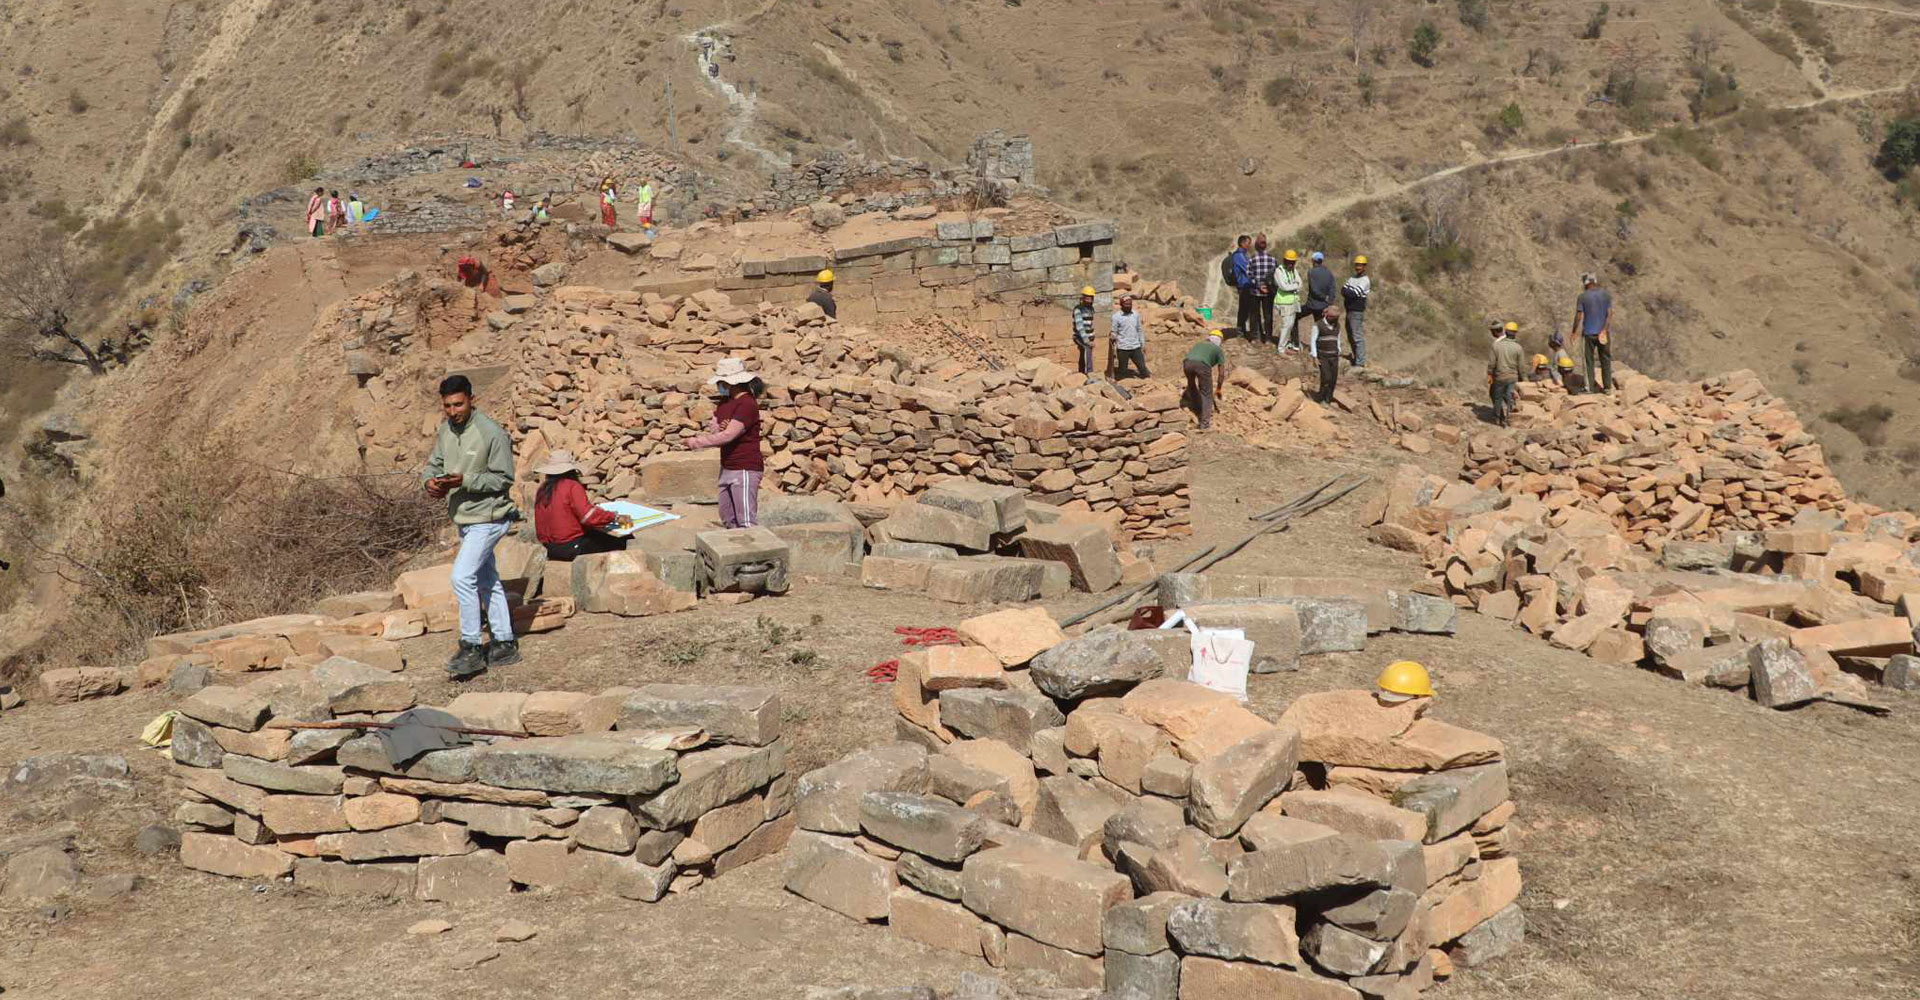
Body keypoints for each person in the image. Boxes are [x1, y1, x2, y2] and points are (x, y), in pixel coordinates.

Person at [422, 374, 519, 679]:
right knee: (487, 579)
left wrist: (466, 481)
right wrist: (430, 482)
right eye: (448, 406)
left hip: (489, 517)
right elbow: (435, 464)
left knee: (462, 577)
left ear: (471, 400)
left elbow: (503, 478)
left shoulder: (492, 433)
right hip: (465, 517)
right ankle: (504, 642)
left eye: (458, 404)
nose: (453, 412)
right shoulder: (446, 430)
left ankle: (471, 646)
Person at [683, 358, 766, 529]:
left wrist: (696, 443)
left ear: (731, 382)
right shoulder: (725, 402)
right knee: (728, 517)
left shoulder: (747, 404)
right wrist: (719, 428)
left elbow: (728, 436)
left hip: (744, 467)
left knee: (746, 521)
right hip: (727, 466)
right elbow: (717, 428)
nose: (719, 385)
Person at [533, 450, 630, 561]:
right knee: (621, 541)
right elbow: (588, 516)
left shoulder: (542, 489)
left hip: (550, 548)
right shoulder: (571, 486)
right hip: (570, 546)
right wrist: (614, 517)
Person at [1571, 272, 1614, 394]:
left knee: (1588, 361)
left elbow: (1579, 316)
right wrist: (1604, 329)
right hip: (1603, 333)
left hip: (1589, 333)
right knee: (1605, 359)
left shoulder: (1583, 297)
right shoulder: (1606, 295)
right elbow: (1610, 314)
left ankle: (1589, 387)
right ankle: (1607, 387)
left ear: (1586, 283)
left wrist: (1574, 331)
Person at [1182, 331, 1229, 430]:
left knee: (1192, 386)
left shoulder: (1199, 344)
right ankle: (1205, 424)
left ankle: (1197, 408)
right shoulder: (1218, 349)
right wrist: (1219, 388)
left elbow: (1191, 356)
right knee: (1207, 394)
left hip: (1187, 364)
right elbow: (1221, 373)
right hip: (1202, 366)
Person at [1487, 321, 1523, 426]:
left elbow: (1492, 363)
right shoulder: (1518, 347)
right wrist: (1523, 379)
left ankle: (1498, 418)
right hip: (1513, 377)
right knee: (1510, 397)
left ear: (1505, 331)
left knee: (1497, 397)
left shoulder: (1496, 345)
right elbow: (1521, 366)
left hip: (1500, 377)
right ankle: (1510, 419)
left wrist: (1490, 374)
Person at [1341, 254, 1371, 368]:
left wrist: (1348, 292)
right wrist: (1348, 292)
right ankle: (1356, 357)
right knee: (1350, 335)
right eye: (1357, 265)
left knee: (1357, 336)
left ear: (1364, 267)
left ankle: (1360, 361)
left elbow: (1354, 293)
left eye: (1360, 265)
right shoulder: (1352, 278)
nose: (1358, 267)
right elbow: (1343, 289)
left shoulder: (1365, 280)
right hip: (1349, 310)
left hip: (1356, 311)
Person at [1246, 236, 1277, 344]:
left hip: (1255, 291)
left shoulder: (1252, 259)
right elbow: (1276, 276)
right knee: (1268, 315)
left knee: (1254, 315)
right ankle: (1268, 338)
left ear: (1256, 246)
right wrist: (1269, 287)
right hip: (1269, 293)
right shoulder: (1273, 260)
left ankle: (1256, 337)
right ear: (1265, 245)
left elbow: (1249, 275)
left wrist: (1258, 285)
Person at [1111, 294, 1149, 379]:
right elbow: (1114, 332)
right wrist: (1113, 347)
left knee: (1143, 369)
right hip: (1123, 348)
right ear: (1121, 304)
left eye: (1130, 304)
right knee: (1122, 371)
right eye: (1126, 304)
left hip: (1135, 346)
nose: (1128, 306)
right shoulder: (1116, 317)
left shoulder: (1136, 314)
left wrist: (1143, 344)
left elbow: (1139, 330)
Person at [1274, 248, 1304, 353]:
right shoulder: (1279, 271)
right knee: (1286, 325)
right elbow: (1283, 287)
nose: (1291, 264)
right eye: (1289, 262)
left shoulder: (1294, 271)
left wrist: (1293, 286)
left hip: (1294, 302)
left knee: (1290, 325)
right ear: (1284, 261)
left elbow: (1300, 284)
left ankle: (1285, 345)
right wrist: (1295, 286)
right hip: (1284, 302)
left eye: (1293, 262)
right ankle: (1281, 349)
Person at [1312, 306, 1343, 403]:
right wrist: (1314, 356)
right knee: (1326, 377)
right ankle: (1321, 397)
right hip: (1323, 356)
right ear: (1327, 316)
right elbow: (1313, 341)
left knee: (1333, 378)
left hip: (1334, 356)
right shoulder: (1318, 325)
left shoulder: (1337, 326)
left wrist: (1339, 350)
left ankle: (1328, 398)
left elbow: (1338, 339)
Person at [1304, 251, 1337, 341]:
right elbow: (1333, 289)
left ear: (1313, 261)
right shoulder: (1329, 273)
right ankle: (1321, 345)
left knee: (1295, 316)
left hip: (1312, 305)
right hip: (1324, 306)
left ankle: (1295, 342)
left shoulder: (1311, 272)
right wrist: (1330, 302)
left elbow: (1313, 290)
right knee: (1321, 327)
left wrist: (1323, 297)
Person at [1225, 235, 1252, 338]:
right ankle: (1241, 331)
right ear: (1243, 243)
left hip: (1245, 285)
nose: (1250, 245)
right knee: (1244, 308)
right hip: (1244, 286)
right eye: (1248, 243)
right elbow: (1248, 269)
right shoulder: (1239, 256)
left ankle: (1242, 330)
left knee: (1245, 307)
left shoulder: (1241, 255)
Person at [1071, 286, 1097, 376]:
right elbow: (1080, 327)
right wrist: (1087, 341)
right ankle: (1089, 373)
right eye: (1087, 297)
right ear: (1083, 297)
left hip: (1088, 337)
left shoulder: (1090, 308)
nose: (1089, 299)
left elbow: (1090, 324)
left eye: (1091, 297)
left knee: (1084, 354)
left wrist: (1092, 337)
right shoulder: (1078, 309)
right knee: (1087, 350)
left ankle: (1082, 373)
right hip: (1080, 336)